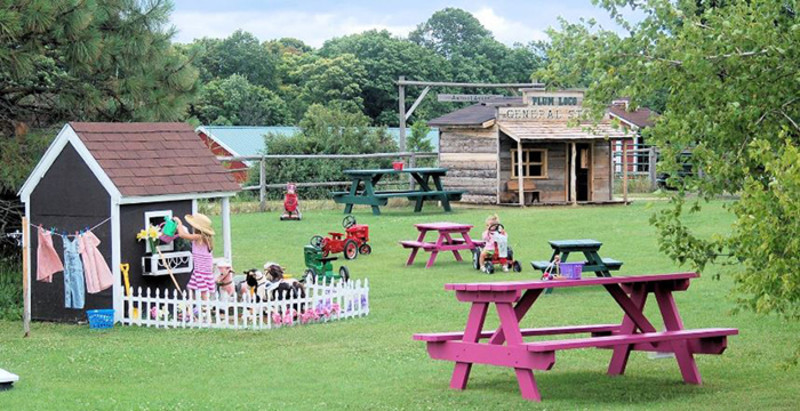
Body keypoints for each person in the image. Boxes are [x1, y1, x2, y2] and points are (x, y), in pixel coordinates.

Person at [174, 214, 215, 299]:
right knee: (191, 287)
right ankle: (196, 305)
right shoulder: (205, 237)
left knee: (203, 291)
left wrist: (179, 223)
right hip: (203, 269)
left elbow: (182, 235)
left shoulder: (199, 237)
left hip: (201, 270)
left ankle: (205, 307)